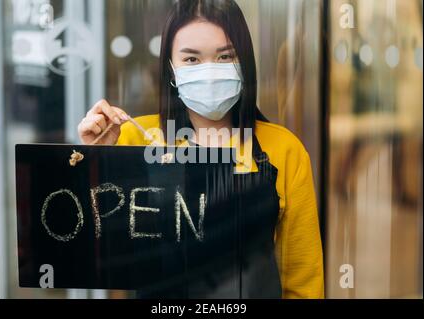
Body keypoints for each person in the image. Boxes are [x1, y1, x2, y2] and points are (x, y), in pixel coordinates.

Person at [78, 0, 324, 299]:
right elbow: (96, 255)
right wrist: (94, 161)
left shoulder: (284, 150)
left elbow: (302, 281)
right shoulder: (133, 139)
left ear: (243, 62)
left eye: (224, 56)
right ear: (170, 68)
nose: (209, 72)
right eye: (192, 60)